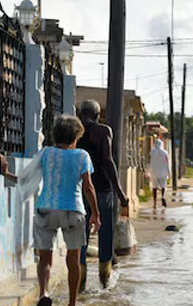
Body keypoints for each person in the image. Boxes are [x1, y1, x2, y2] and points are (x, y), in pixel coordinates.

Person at [31, 115, 101, 306]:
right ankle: (71, 303)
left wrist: (6, 173)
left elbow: (27, 178)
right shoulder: (82, 155)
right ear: (76, 136)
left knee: (45, 258)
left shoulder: (46, 153)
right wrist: (96, 213)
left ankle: (44, 294)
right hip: (73, 211)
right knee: (74, 259)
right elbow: (88, 187)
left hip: (46, 208)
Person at [76, 99, 129, 290]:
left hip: (80, 189)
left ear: (80, 113)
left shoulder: (74, 131)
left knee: (80, 234)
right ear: (98, 115)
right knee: (105, 232)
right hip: (103, 190)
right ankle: (104, 281)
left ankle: (79, 284)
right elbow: (107, 161)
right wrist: (120, 192)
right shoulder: (103, 131)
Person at [149, 138, 170, 209]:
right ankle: (163, 196)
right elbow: (167, 163)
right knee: (163, 186)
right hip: (163, 172)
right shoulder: (165, 153)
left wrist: (148, 171)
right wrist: (168, 172)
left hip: (153, 172)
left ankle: (154, 203)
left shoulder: (152, 152)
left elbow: (149, 162)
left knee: (154, 187)